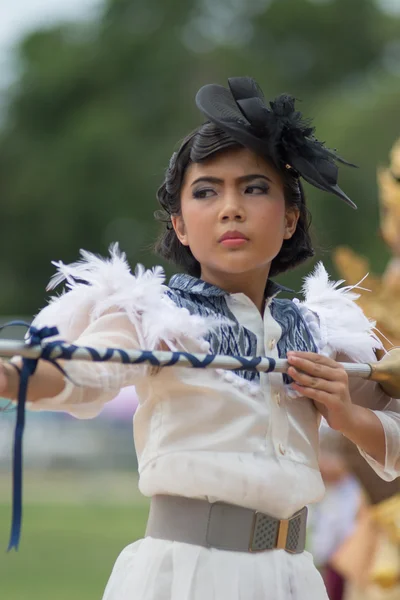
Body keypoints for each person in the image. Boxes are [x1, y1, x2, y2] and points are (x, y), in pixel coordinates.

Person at [2, 77, 400, 600]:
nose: (230, 207)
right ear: (181, 226)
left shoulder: (325, 330)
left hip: (295, 581)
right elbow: (78, 373)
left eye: (254, 188)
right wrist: (11, 375)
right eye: (206, 191)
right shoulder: (152, 315)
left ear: (290, 219)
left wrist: (347, 414)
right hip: (185, 577)